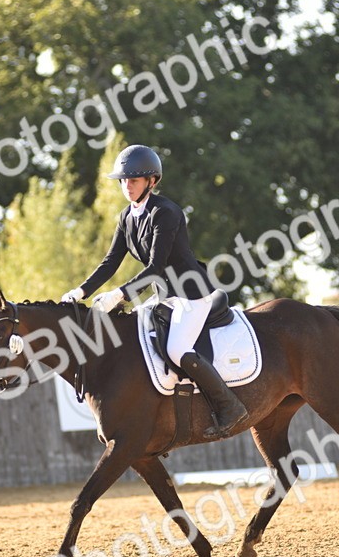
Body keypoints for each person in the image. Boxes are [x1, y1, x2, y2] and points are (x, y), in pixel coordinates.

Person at [60, 144, 249, 439]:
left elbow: (156, 266)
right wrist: (81, 290)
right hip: (164, 295)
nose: (127, 186)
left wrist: (119, 295)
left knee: (176, 349)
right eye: (123, 181)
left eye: (133, 180)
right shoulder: (126, 217)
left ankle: (230, 407)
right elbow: (110, 262)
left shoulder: (167, 213)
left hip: (191, 293)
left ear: (152, 181)